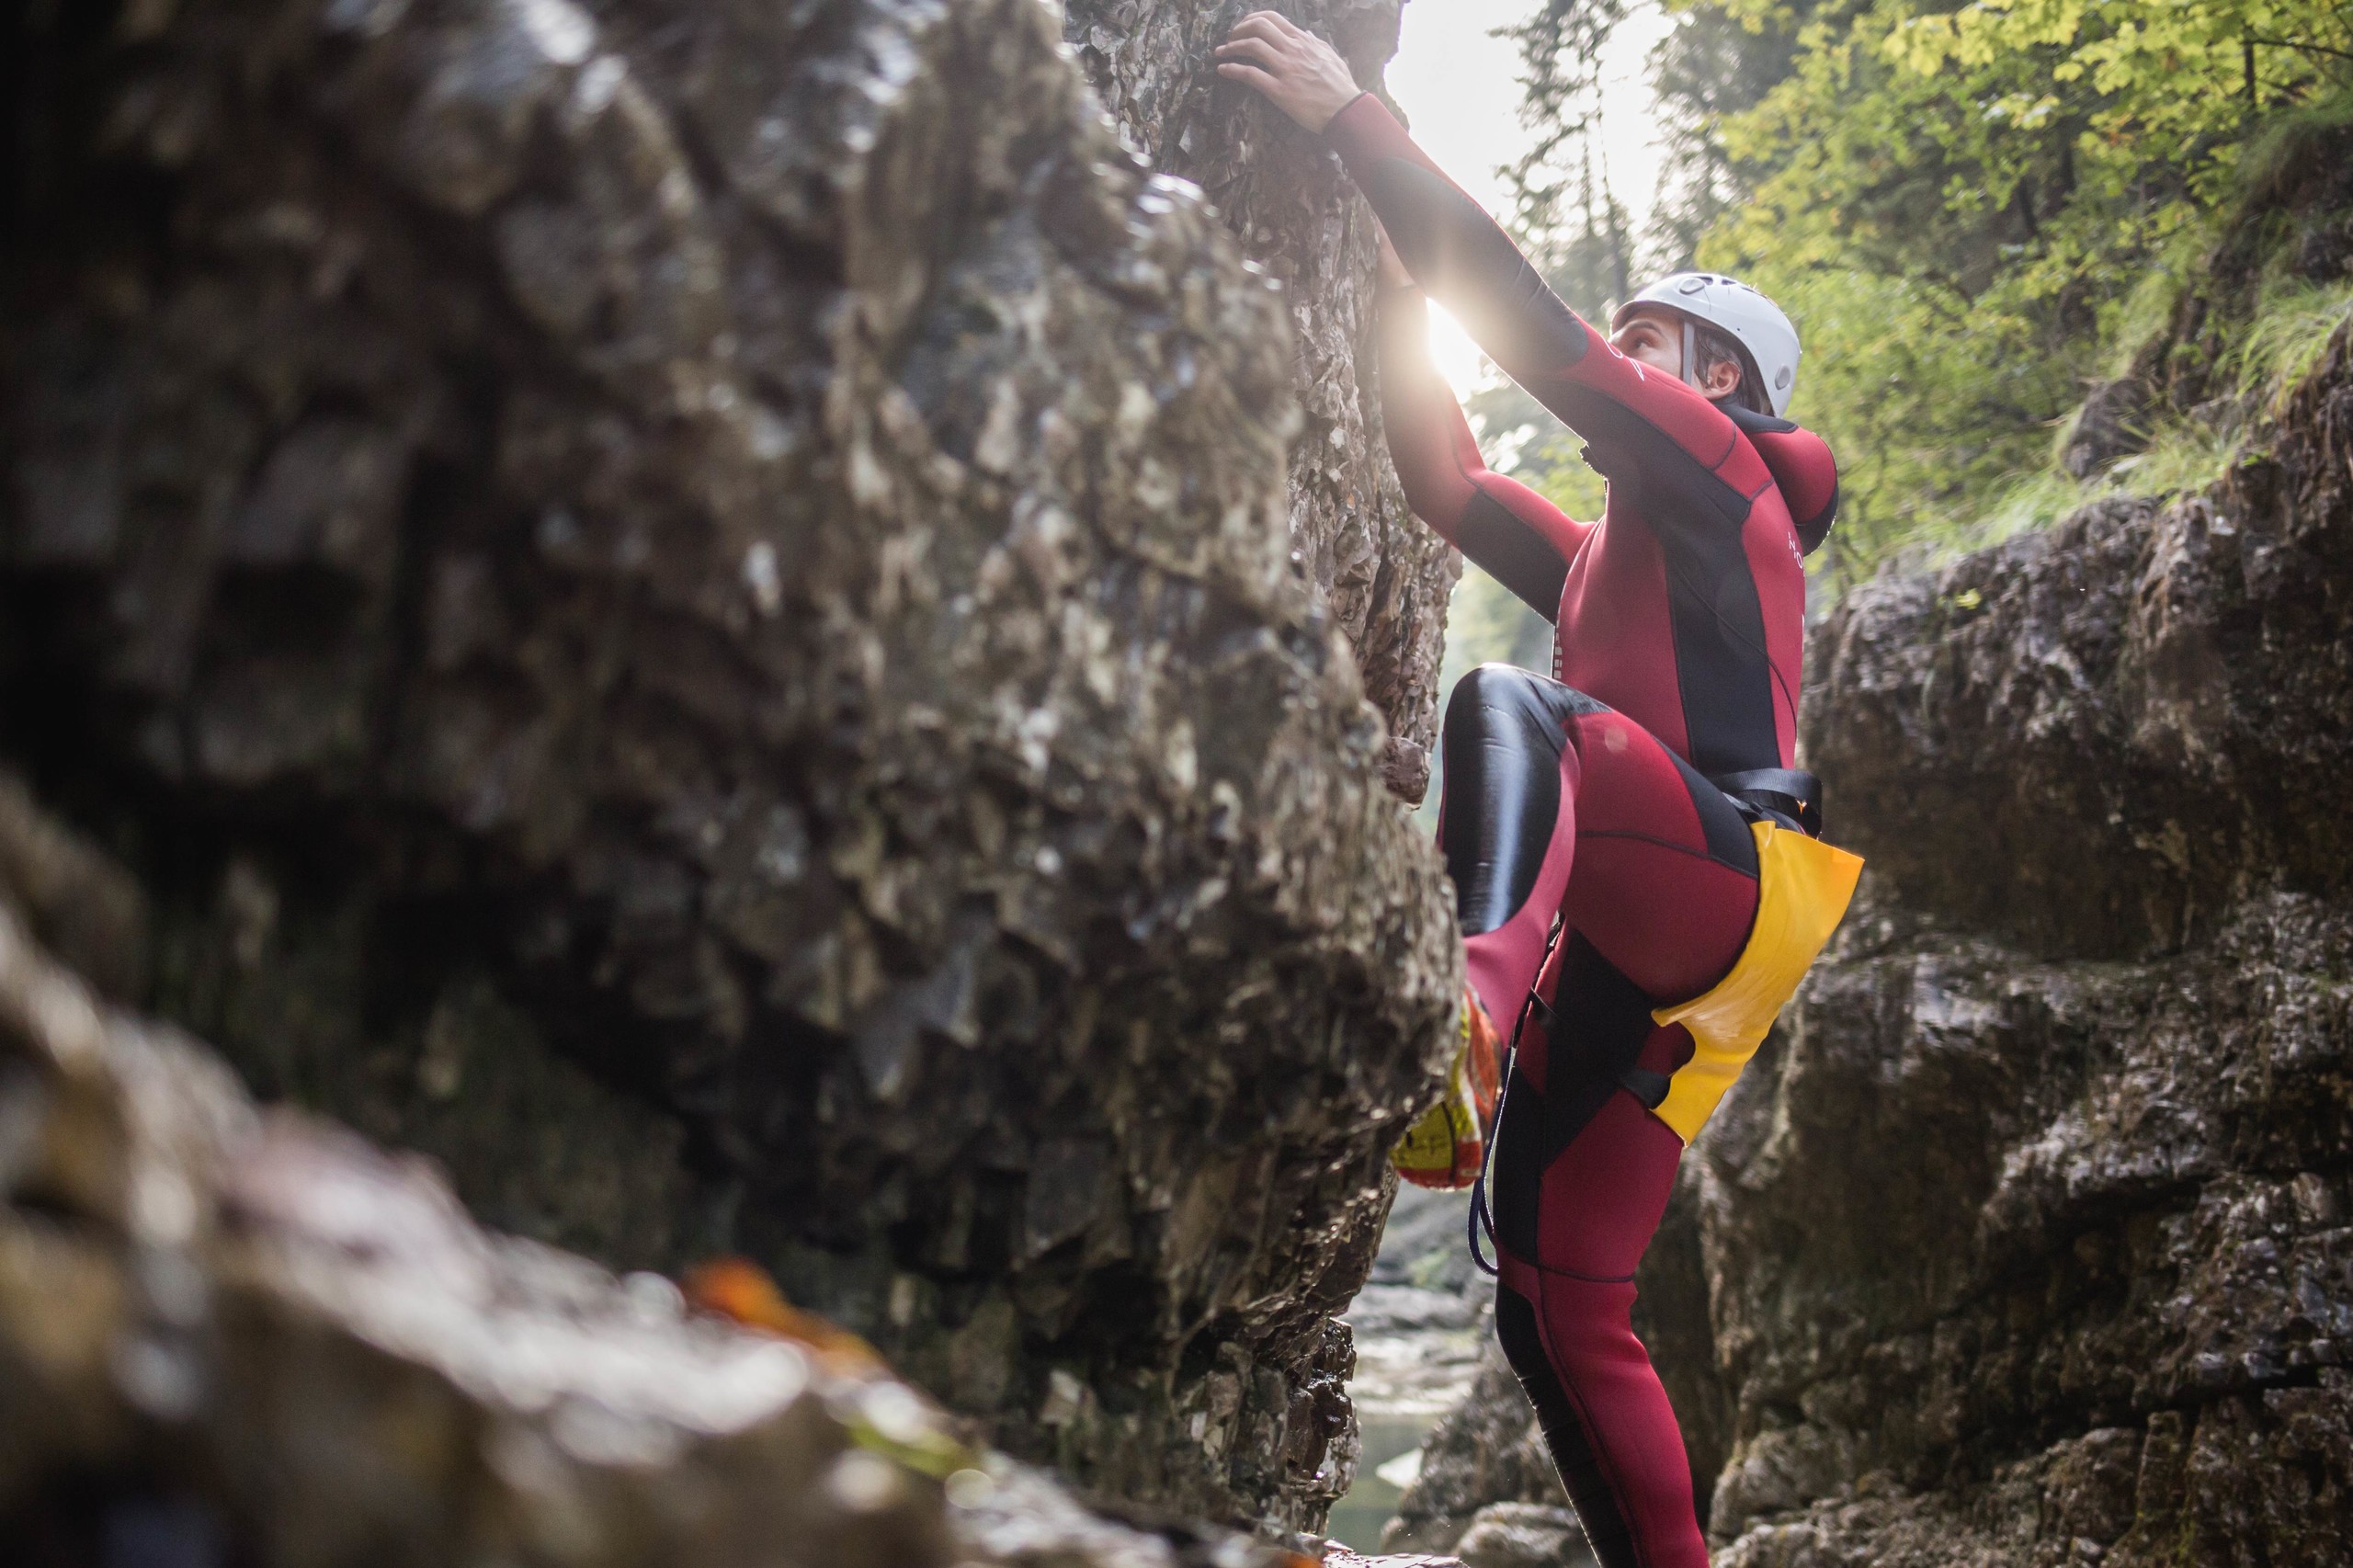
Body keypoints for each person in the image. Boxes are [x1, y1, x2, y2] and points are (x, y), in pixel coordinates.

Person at [1216, 16, 1858, 1568]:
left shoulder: (1727, 475)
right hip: (1672, 923)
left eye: (1654, 342)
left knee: (1521, 713)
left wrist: (1357, 124)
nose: (1624, 360)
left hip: (1720, 866)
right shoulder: (1602, 560)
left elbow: (1541, 340)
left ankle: (1464, 1014)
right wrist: (1373, 268)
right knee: (1558, 1305)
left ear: (1717, 379)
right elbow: (1444, 478)